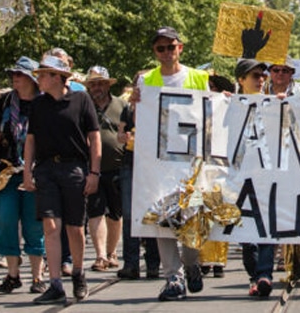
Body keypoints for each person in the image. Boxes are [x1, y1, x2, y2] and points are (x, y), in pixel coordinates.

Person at [23, 53, 101, 304]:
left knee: (75, 227)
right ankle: (55, 282)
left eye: (43, 75)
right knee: (50, 226)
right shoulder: (38, 104)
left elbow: (94, 137)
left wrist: (94, 172)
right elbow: (31, 139)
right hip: (46, 169)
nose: (39, 80)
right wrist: (27, 170)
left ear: (57, 77)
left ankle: (78, 272)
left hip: (74, 168)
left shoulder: (81, 99)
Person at [139, 27, 209, 302]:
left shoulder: (198, 78)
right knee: (162, 223)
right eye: (161, 48)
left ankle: (191, 264)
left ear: (180, 48)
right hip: (159, 165)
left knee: (191, 225)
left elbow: (209, 115)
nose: (167, 53)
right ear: (155, 52)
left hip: (190, 165)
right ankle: (173, 277)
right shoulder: (147, 81)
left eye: (171, 47)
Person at [0, 56, 46, 295]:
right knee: (6, 219)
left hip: (36, 172)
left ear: (32, 77)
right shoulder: (6, 101)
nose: (15, 79)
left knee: (33, 223)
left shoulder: (43, 102)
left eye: (20, 75)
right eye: (13, 75)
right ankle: (12, 274)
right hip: (7, 170)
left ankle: (38, 276)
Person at [234, 58, 277, 297]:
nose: (261, 80)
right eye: (255, 76)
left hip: (267, 174)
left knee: (267, 225)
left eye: (263, 76)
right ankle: (254, 273)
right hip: (239, 175)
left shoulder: (274, 105)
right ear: (241, 80)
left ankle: (264, 275)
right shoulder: (229, 105)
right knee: (245, 230)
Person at [116, 73, 161, 281]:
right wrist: (124, 137)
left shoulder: (158, 107)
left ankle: (153, 263)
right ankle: (131, 263)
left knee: (152, 213)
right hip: (130, 163)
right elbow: (120, 135)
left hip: (152, 165)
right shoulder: (128, 108)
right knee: (129, 214)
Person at [84, 66, 126, 273]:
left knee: (116, 214)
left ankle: (112, 252)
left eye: (101, 83)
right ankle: (100, 255)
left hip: (118, 167)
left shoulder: (121, 105)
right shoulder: (84, 106)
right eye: (93, 84)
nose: (97, 87)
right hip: (92, 168)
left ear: (108, 85)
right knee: (95, 211)